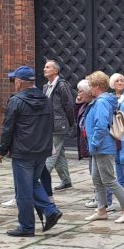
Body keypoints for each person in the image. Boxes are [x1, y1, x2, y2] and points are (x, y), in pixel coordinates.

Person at [0, 66, 61, 237]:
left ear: (19, 82)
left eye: (14, 80)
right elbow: (50, 125)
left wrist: (2, 150)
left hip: (23, 151)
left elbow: (7, 128)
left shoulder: (16, 101)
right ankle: (50, 211)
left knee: (23, 190)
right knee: (33, 183)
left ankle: (26, 227)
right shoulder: (45, 98)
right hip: (42, 150)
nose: (13, 83)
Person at [84, 71, 124, 224]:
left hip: (102, 146)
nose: (89, 89)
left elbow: (101, 125)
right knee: (97, 179)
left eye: (91, 85)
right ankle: (101, 210)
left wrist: (94, 143)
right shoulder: (101, 100)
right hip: (98, 147)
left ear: (97, 86)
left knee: (109, 180)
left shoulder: (102, 102)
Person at [43, 59, 76, 192]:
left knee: (51, 154)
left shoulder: (62, 85)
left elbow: (69, 105)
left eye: (48, 67)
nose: (44, 69)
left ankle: (39, 182)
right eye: (45, 67)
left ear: (56, 71)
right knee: (59, 154)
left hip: (58, 125)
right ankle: (66, 181)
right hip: (48, 124)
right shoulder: (45, 87)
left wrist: (71, 123)